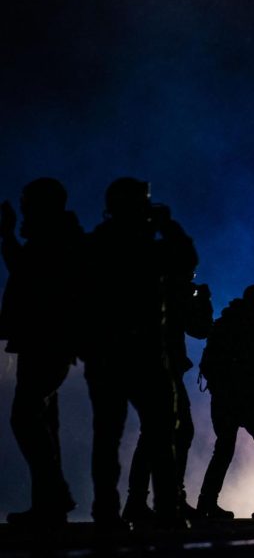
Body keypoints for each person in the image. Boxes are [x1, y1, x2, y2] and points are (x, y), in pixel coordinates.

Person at [81, 177, 196, 529]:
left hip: (107, 352)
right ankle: (166, 511)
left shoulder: (96, 243)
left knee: (109, 437)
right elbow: (186, 260)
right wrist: (169, 225)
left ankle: (108, 512)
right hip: (145, 352)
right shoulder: (147, 246)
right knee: (161, 433)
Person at [0, 178, 83, 527]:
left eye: (27, 203)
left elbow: (29, 275)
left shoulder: (54, 239)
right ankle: (48, 505)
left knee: (25, 418)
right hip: (46, 340)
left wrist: (6, 235)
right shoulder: (58, 236)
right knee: (45, 423)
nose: (22, 210)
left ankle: (54, 494)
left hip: (46, 340)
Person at [122, 211, 210, 524]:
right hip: (157, 365)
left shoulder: (159, 285)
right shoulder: (169, 288)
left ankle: (150, 500)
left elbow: (199, 328)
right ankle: (162, 500)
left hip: (153, 364)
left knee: (162, 432)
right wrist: (200, 300)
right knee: (171, 431)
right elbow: (200, 328)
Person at [195, 284, 254, 519]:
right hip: (246, 398)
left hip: (224, 398)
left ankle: (207, 502)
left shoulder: (226, 323)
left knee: (223, 450)